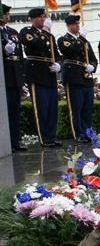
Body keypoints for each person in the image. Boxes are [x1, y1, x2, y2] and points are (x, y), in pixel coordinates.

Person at [20, 8, 62, 148]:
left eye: (43, 17)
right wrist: (45, 32)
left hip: (50, 75)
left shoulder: (49, 36)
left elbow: (58, 55)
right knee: (41, 108)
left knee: (52, 108)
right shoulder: (27, 32)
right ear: (31, 19)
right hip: (36, 74)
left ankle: (51, 136)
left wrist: (58, 65)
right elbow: (33, 44)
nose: (42, 19)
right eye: (39, 17)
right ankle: (44, 138)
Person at [58, 14, 98, 143]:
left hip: (86, 78)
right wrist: (81, 38)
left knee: (87, 108)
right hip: (73, 77)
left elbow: (93, 57)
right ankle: (79, 133)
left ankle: (87, 131)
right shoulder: (63, 39)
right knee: (76, 108)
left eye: (78, 24)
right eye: (75, 24)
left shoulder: (84, 41)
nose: (77, 26)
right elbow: (71, 49)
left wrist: (92, 66)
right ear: (69, 25)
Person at [1, 4, 26, 152]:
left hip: (15, 78)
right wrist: (4, 52)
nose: (6, 16)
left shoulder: (12, 32)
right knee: (6, 113)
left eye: (7, 14)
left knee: (15, 112)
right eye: (4, 14)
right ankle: (6, 143)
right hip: (4, 78)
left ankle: (15, 141)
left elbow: (20, 57)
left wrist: (22, 79)